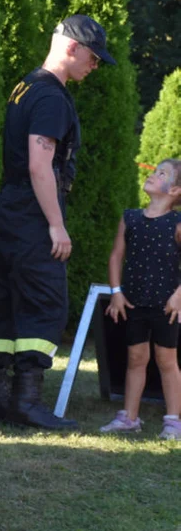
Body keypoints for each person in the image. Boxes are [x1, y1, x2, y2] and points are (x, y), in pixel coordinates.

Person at [0, 14, 116, 430]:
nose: (96, 66)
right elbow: (41, 165)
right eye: (93, 57)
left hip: (9, 208)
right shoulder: (51, 97)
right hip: (32, 212)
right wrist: (55, 224)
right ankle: (26, 402)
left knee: (2, 299)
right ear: (72, 47)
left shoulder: (26, 85)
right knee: (43, 300)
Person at [100, 159, 181, 441]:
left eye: (162, 174)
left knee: (166, 360)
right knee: (136, 358)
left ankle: (173, 421)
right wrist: (116, 292)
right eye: (154, 170)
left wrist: (178, 296)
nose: (153, 174)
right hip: (133, 303)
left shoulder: (178, 223)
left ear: (174, 191)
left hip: (166, 306)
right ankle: (129, 418)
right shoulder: (130, 218)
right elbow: (115, 257)